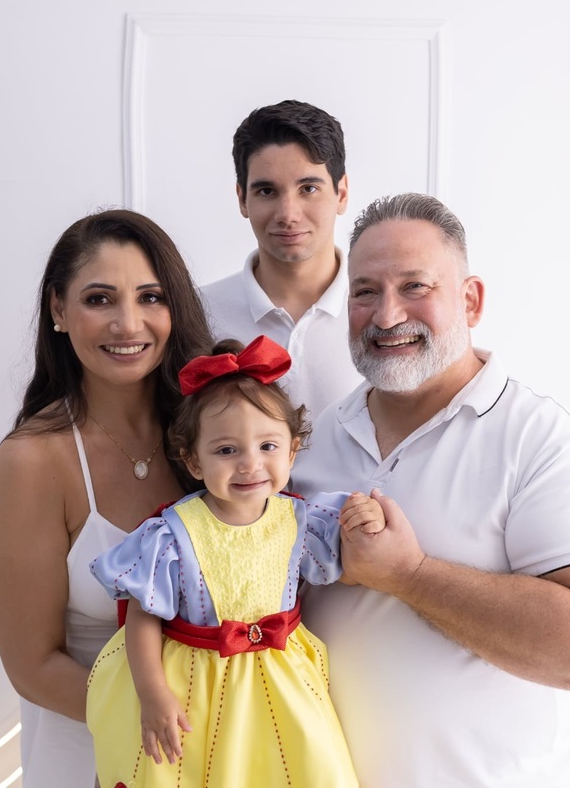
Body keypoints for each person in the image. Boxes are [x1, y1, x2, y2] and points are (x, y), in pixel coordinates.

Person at [291, 193, 570, 787]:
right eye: (365, 291)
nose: (386, 316)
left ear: (471, 300)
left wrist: (410, 575)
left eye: (415, 286)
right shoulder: (313, 440)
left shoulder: (542, 440)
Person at [0, 210, 213, 787]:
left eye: (151, 297)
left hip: (215, 759)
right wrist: (165, 723)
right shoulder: (33, 460)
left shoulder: (216, 436)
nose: (128, 323)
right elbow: (32, 666)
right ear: (59, 310)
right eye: (100, 299)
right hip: (90, 760)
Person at [85, 335, 383, 788]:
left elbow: (354, 561)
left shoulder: (301, 521)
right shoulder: (174, 534)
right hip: (194, 685)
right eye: (227, 450)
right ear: (193, 461)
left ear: (292, 451)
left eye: (267, 447)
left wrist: (365, 519)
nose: (250, 464)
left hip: (281, 681)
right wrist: (153, 694)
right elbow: (142, 619)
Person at [202, 99, 362, 420]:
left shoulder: (383, 312)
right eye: (267, 191)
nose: (288, 215)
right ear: (242, 199)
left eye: (308, 188)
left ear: (341, 193)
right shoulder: (198, 312)